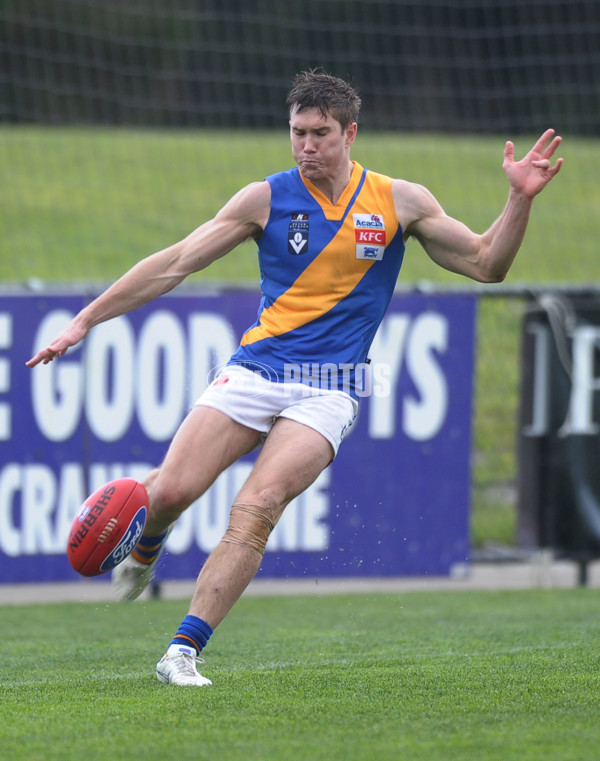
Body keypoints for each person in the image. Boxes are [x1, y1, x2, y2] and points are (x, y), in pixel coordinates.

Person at [26, 70, 563, 686]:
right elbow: (175, 262)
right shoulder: (266, 198)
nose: (306, 146)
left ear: (350, 133)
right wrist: (85, 321)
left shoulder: (399, 201)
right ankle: (147, 548)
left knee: (256, 507)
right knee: (170, 492)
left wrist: (519, 198)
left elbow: (487, 263)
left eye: (320, 134)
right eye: (297, 132)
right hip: (254, 371)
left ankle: (182, 652)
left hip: (329, 389)